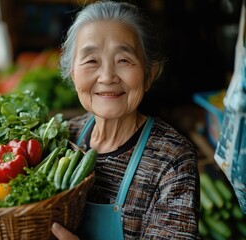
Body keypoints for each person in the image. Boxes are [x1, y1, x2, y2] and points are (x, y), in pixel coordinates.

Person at [50, 1, 200, 239]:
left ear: (150, 74)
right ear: (73, 74)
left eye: (124, 60)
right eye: (91, 61)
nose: (107, 76)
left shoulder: (172, 158)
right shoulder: (62, 138)